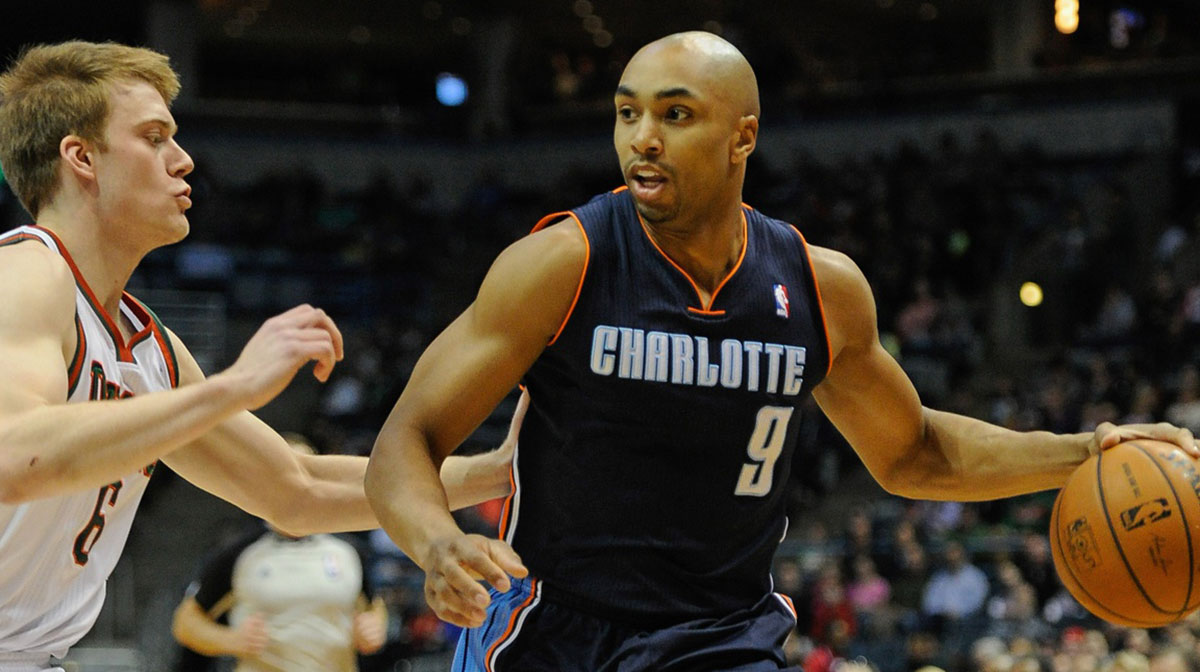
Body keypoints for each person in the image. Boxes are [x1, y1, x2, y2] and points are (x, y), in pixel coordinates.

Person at [363, 31, 1199, 671]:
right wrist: (437, 544)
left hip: (719, 635)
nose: (642, 138)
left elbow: (912, 453)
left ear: (742, 137)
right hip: (553, 625)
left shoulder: (819, 287)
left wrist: (1082, 452)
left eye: (675, 114)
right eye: (628, 112)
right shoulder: (560, 264)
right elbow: (405, 441)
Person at [0, 41, 512, 669]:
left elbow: (295, 489)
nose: (183, 160)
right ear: (82, 157)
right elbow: (13, 455)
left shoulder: (145, 341)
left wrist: (500, 470)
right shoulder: (27, 273)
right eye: (154, 138)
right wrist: (233, 386)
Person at [171, 435, 387, 672]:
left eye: (305, 470)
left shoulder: (347, 550)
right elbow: (185, 623)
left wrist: (375, 628)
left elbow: (374, 606)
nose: (294, 484)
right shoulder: (240, 553)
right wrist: (231, 640)